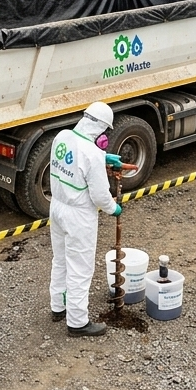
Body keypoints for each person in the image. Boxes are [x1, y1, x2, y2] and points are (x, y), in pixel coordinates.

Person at [49, 102, 123, 337]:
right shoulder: (91, 153)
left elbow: (77, 158)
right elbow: (100, 196)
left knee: (60, 260)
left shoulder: (62, 137)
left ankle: (58, 307)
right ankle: (77, 322)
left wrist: (103, 157)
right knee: (80, 269)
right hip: (78, 216)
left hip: (57, 207)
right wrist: (114, 209)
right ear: (101, 128)